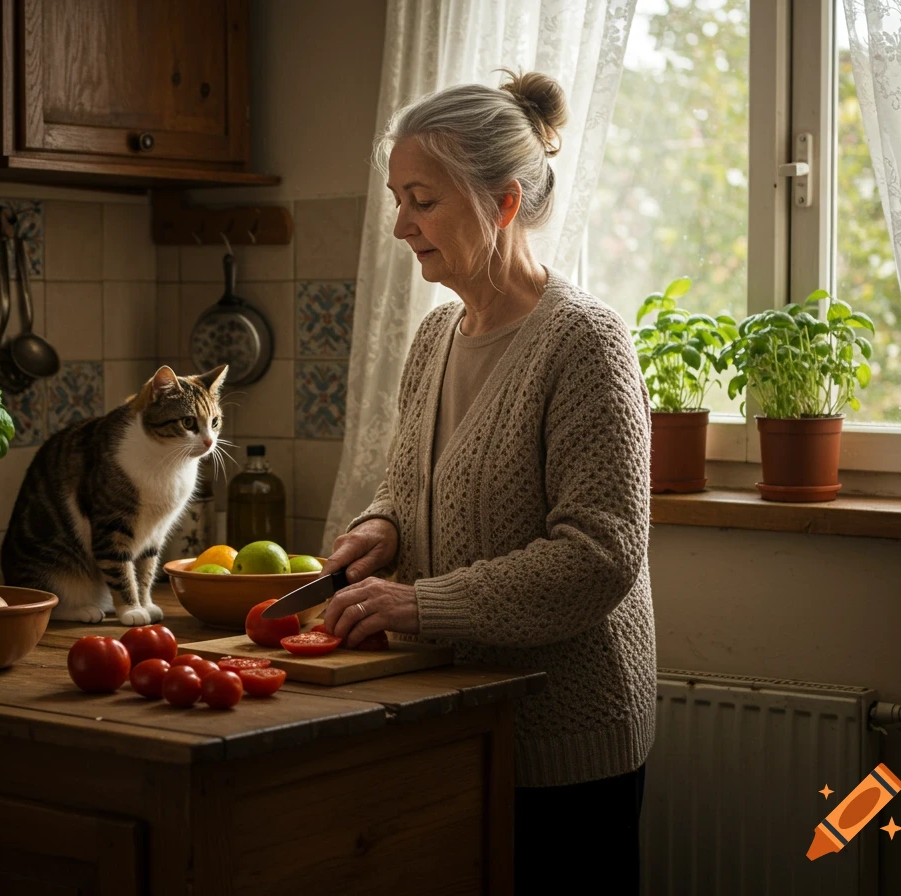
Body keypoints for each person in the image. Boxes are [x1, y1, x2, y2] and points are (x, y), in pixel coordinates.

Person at [321, 70, 656, 893]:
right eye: (398, 198)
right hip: (455, 721)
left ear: (503, 203)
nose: (400, 224)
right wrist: (382, 528)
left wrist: (417, 604)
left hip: (565, 738)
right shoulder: (436, 334)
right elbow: (408, 487)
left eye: (423, 200)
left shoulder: (586, 343)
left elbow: (599, 557)